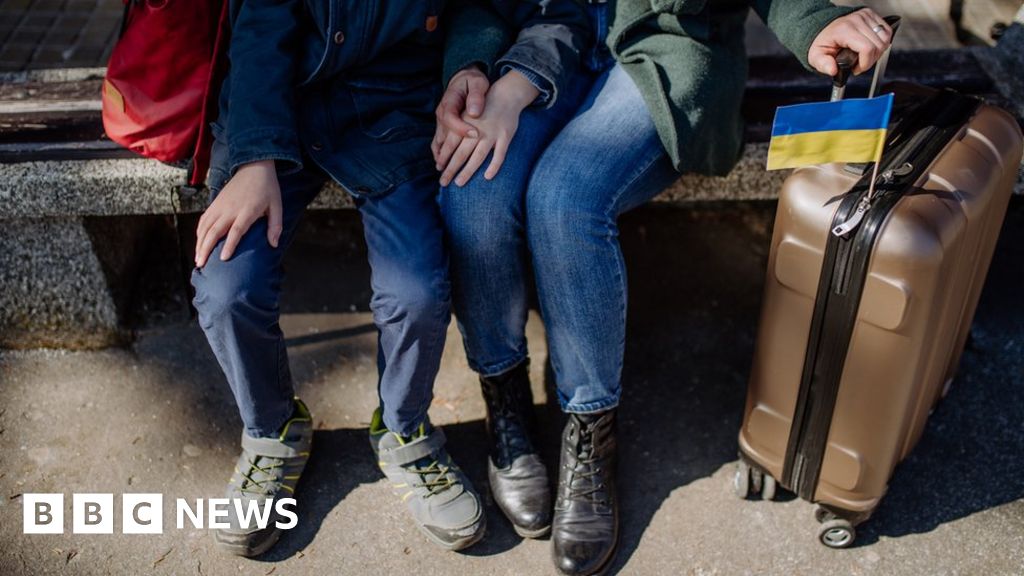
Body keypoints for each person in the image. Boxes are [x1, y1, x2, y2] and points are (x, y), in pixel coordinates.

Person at [435, 1, 893, 574]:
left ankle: (590, 434)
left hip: (664, 51)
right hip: (540, 44)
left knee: (564, 200)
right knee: (472, 193)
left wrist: (814, 21)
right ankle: (506, 405)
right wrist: (473, 68)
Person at [190, 0, 588, 557]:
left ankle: (404, 429)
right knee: (226, 287)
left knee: (418, 293)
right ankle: (272, 431)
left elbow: (502, 10)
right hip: (279, 107)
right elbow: (257, 32)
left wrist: (471, 69)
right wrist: (254, 160)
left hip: (391, 113)